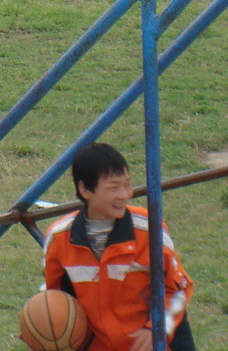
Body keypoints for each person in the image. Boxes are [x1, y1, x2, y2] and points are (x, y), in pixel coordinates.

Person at [40, 142, 196, 351]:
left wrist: (156, 329)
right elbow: (55, 297)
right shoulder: (58, 238)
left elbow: (178, 288)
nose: (124, 194)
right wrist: (42, 327)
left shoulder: (149, 228)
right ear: (84, 189)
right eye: (114, 187)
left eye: (127, 185)